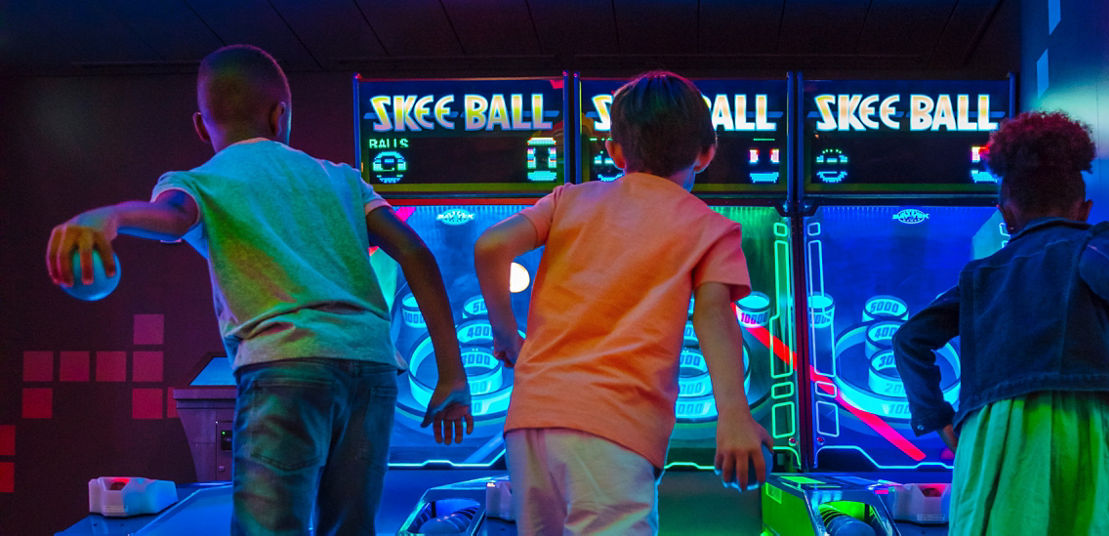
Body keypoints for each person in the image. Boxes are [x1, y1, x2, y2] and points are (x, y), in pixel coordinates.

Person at [44, 44, 474, 535]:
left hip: (286, 366)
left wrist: (108, 217)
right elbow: (416, 254)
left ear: (202, 127)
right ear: (280, 115)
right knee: (351, 528)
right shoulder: (342, 179)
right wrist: (451, 374)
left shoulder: (198, 180)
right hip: (371, 370)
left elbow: (170, 219)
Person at [893, 111, 1109, 535]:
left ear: (1006, 216)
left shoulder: (979, 276)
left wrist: (936, 417)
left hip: (986, 432)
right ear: (1084, 210)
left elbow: (910, 338)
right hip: (1073, 421)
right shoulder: (1088, 242)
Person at [474, 71, 771, 535]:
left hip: (529, 423)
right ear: (707, 152)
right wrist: (734, 414)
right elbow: (714, 317)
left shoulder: (567, 199)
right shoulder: (711, 228)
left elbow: (491, 247)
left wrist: (507, 334)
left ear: (614, 151)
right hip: (612, 427)